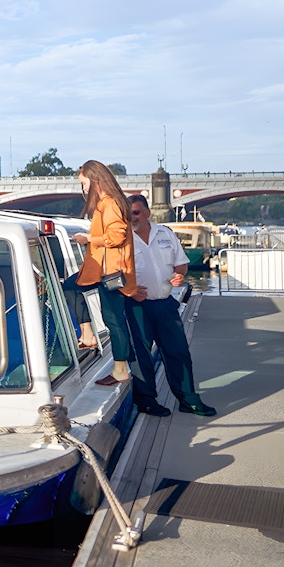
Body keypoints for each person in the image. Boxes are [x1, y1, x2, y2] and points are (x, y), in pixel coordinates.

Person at [70, 161, 170, 415]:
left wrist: (88, 238)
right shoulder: (111, 203)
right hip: (110, 272)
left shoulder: (110, 204)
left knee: (113, 321)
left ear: (94, 180)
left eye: (83, 182)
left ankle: (116, 365)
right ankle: (111, 358)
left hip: (110, 273)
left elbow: (116, 236)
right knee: (110, 317)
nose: (82, 187)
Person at [124, 195, 217, 416]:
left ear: (147, 212)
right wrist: (130, 289)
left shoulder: (165, 234)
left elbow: (181, 263)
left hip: (165, 304)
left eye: (135, 212)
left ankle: (188, 400)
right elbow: (113, 272)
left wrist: (178, 275)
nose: (131, 217)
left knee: (178, 352)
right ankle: (147, 402)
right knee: (140, 356)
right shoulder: (123, 239)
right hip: (137, 306)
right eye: (129, 213)